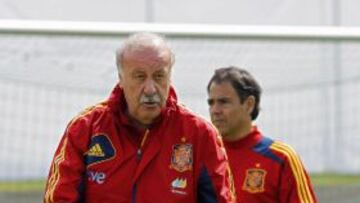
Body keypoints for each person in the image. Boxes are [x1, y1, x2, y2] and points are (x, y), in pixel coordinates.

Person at [43, 33, 236, 203]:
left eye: (159, 76)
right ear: (121, 78)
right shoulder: (86, 128)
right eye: (139, 76)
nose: (151, 89)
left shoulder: (200, 133)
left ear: (170, 77)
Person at [207, 66, 317, 203]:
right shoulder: (203, 155)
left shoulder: (281, 158)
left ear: (249, 104)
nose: (215, 110)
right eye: (211, 103)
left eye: (224, 102)